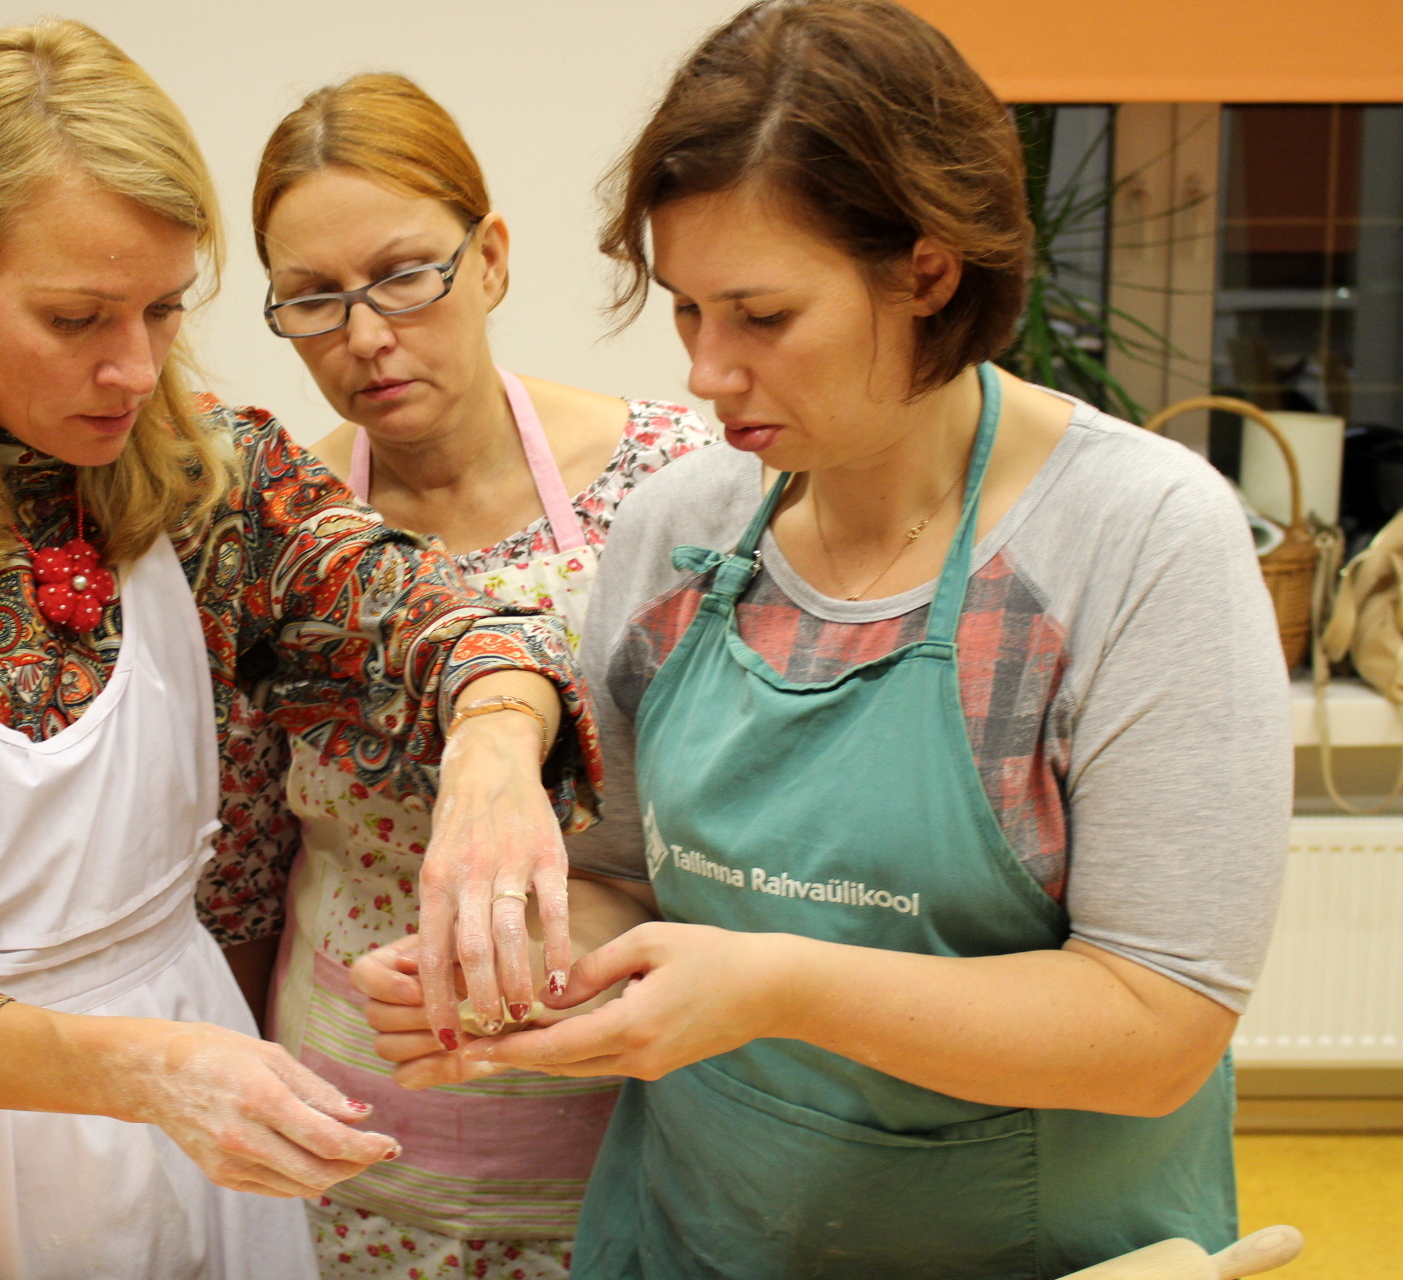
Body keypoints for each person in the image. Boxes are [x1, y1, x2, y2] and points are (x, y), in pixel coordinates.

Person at [361, 3, 1290, 1276]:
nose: (707, 371)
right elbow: (625, 876)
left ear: (927, 270)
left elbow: (1156, 1026)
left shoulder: (1139, 540)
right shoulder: (682, 529)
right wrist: (514, 955)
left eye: (761, 315)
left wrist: (778, 986)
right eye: (687, 310)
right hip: (695, 1233)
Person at [0, 22, 599, 1279]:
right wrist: (147, 1068)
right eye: (76, 317)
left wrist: (495, 749)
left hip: (182, 1084)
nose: (135, 367)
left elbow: (444, 615)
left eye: (166, 308)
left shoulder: (203, 474)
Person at [249, 73, 712, 1277]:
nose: (365, 335)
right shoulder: (274, 529)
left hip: (619, 1114)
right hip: (348, 1134)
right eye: (312, 300)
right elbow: (245, 848)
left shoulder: (677, 483)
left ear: (492, 256)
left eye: (407, 274)